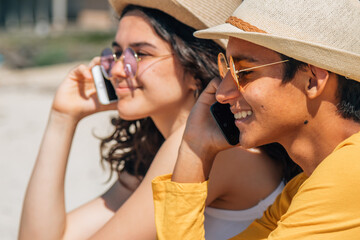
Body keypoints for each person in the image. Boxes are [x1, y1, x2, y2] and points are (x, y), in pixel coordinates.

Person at [19, 0, 300, 240]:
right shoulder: (161, 144)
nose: (117, 69)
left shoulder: (206, 147)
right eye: (116, 53)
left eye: (140, 54)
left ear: (193, 67)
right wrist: (62, 118)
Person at [152, 0, 360, 239]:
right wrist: (194, 148)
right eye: (226, 70)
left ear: (312, 80)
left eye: (244, 72)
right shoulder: (304, 186)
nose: (222, 93)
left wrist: (192, 151)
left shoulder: (348, 174)